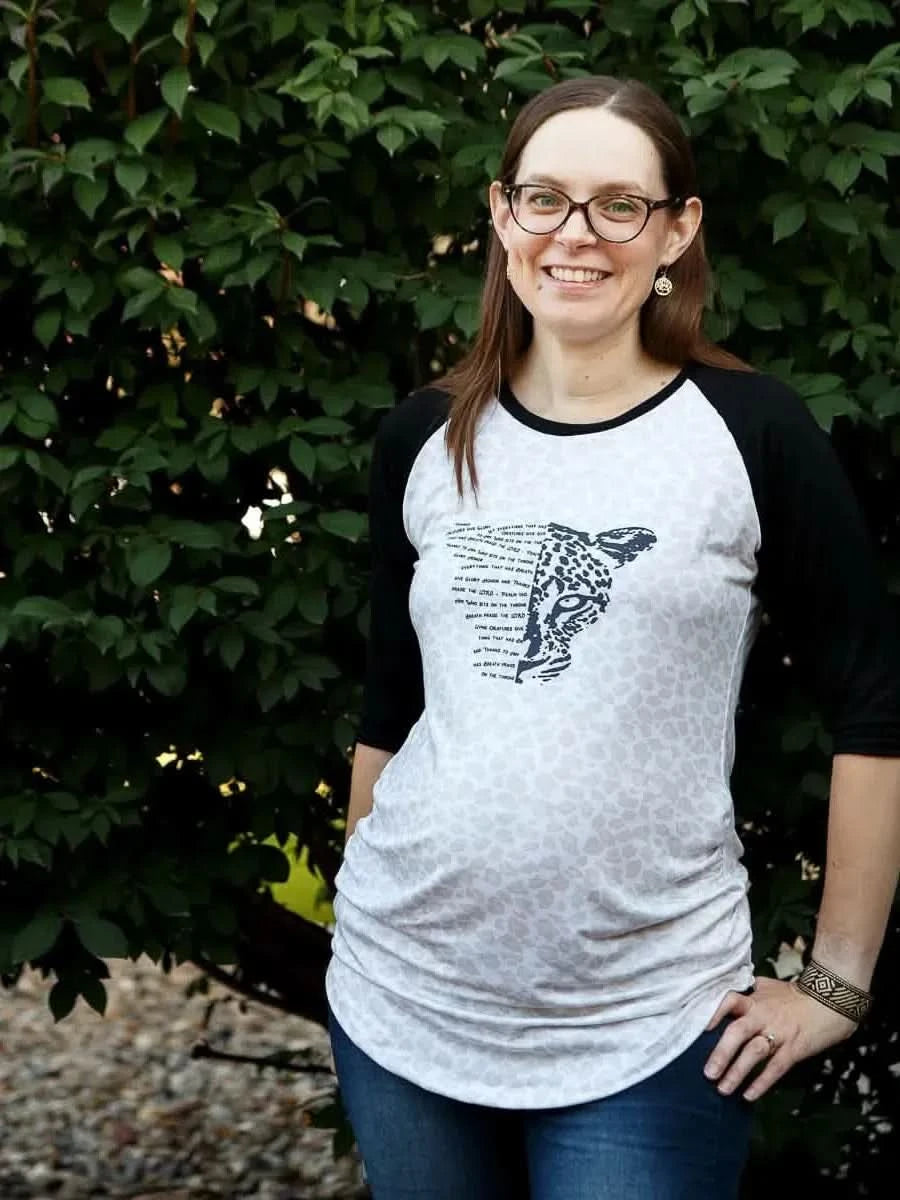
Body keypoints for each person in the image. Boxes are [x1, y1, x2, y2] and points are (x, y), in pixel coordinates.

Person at [323, 75, 900, 1199]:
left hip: (653, 1023)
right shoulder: (426, 437)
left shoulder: (749, 431)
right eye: (545, 198)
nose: (574, 235)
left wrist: (835, 985)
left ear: (678, 230)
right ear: (501, 217)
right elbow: (392, 708)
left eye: (618, 205)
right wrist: (359, 925)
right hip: (404, 1005)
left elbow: (874, 698)